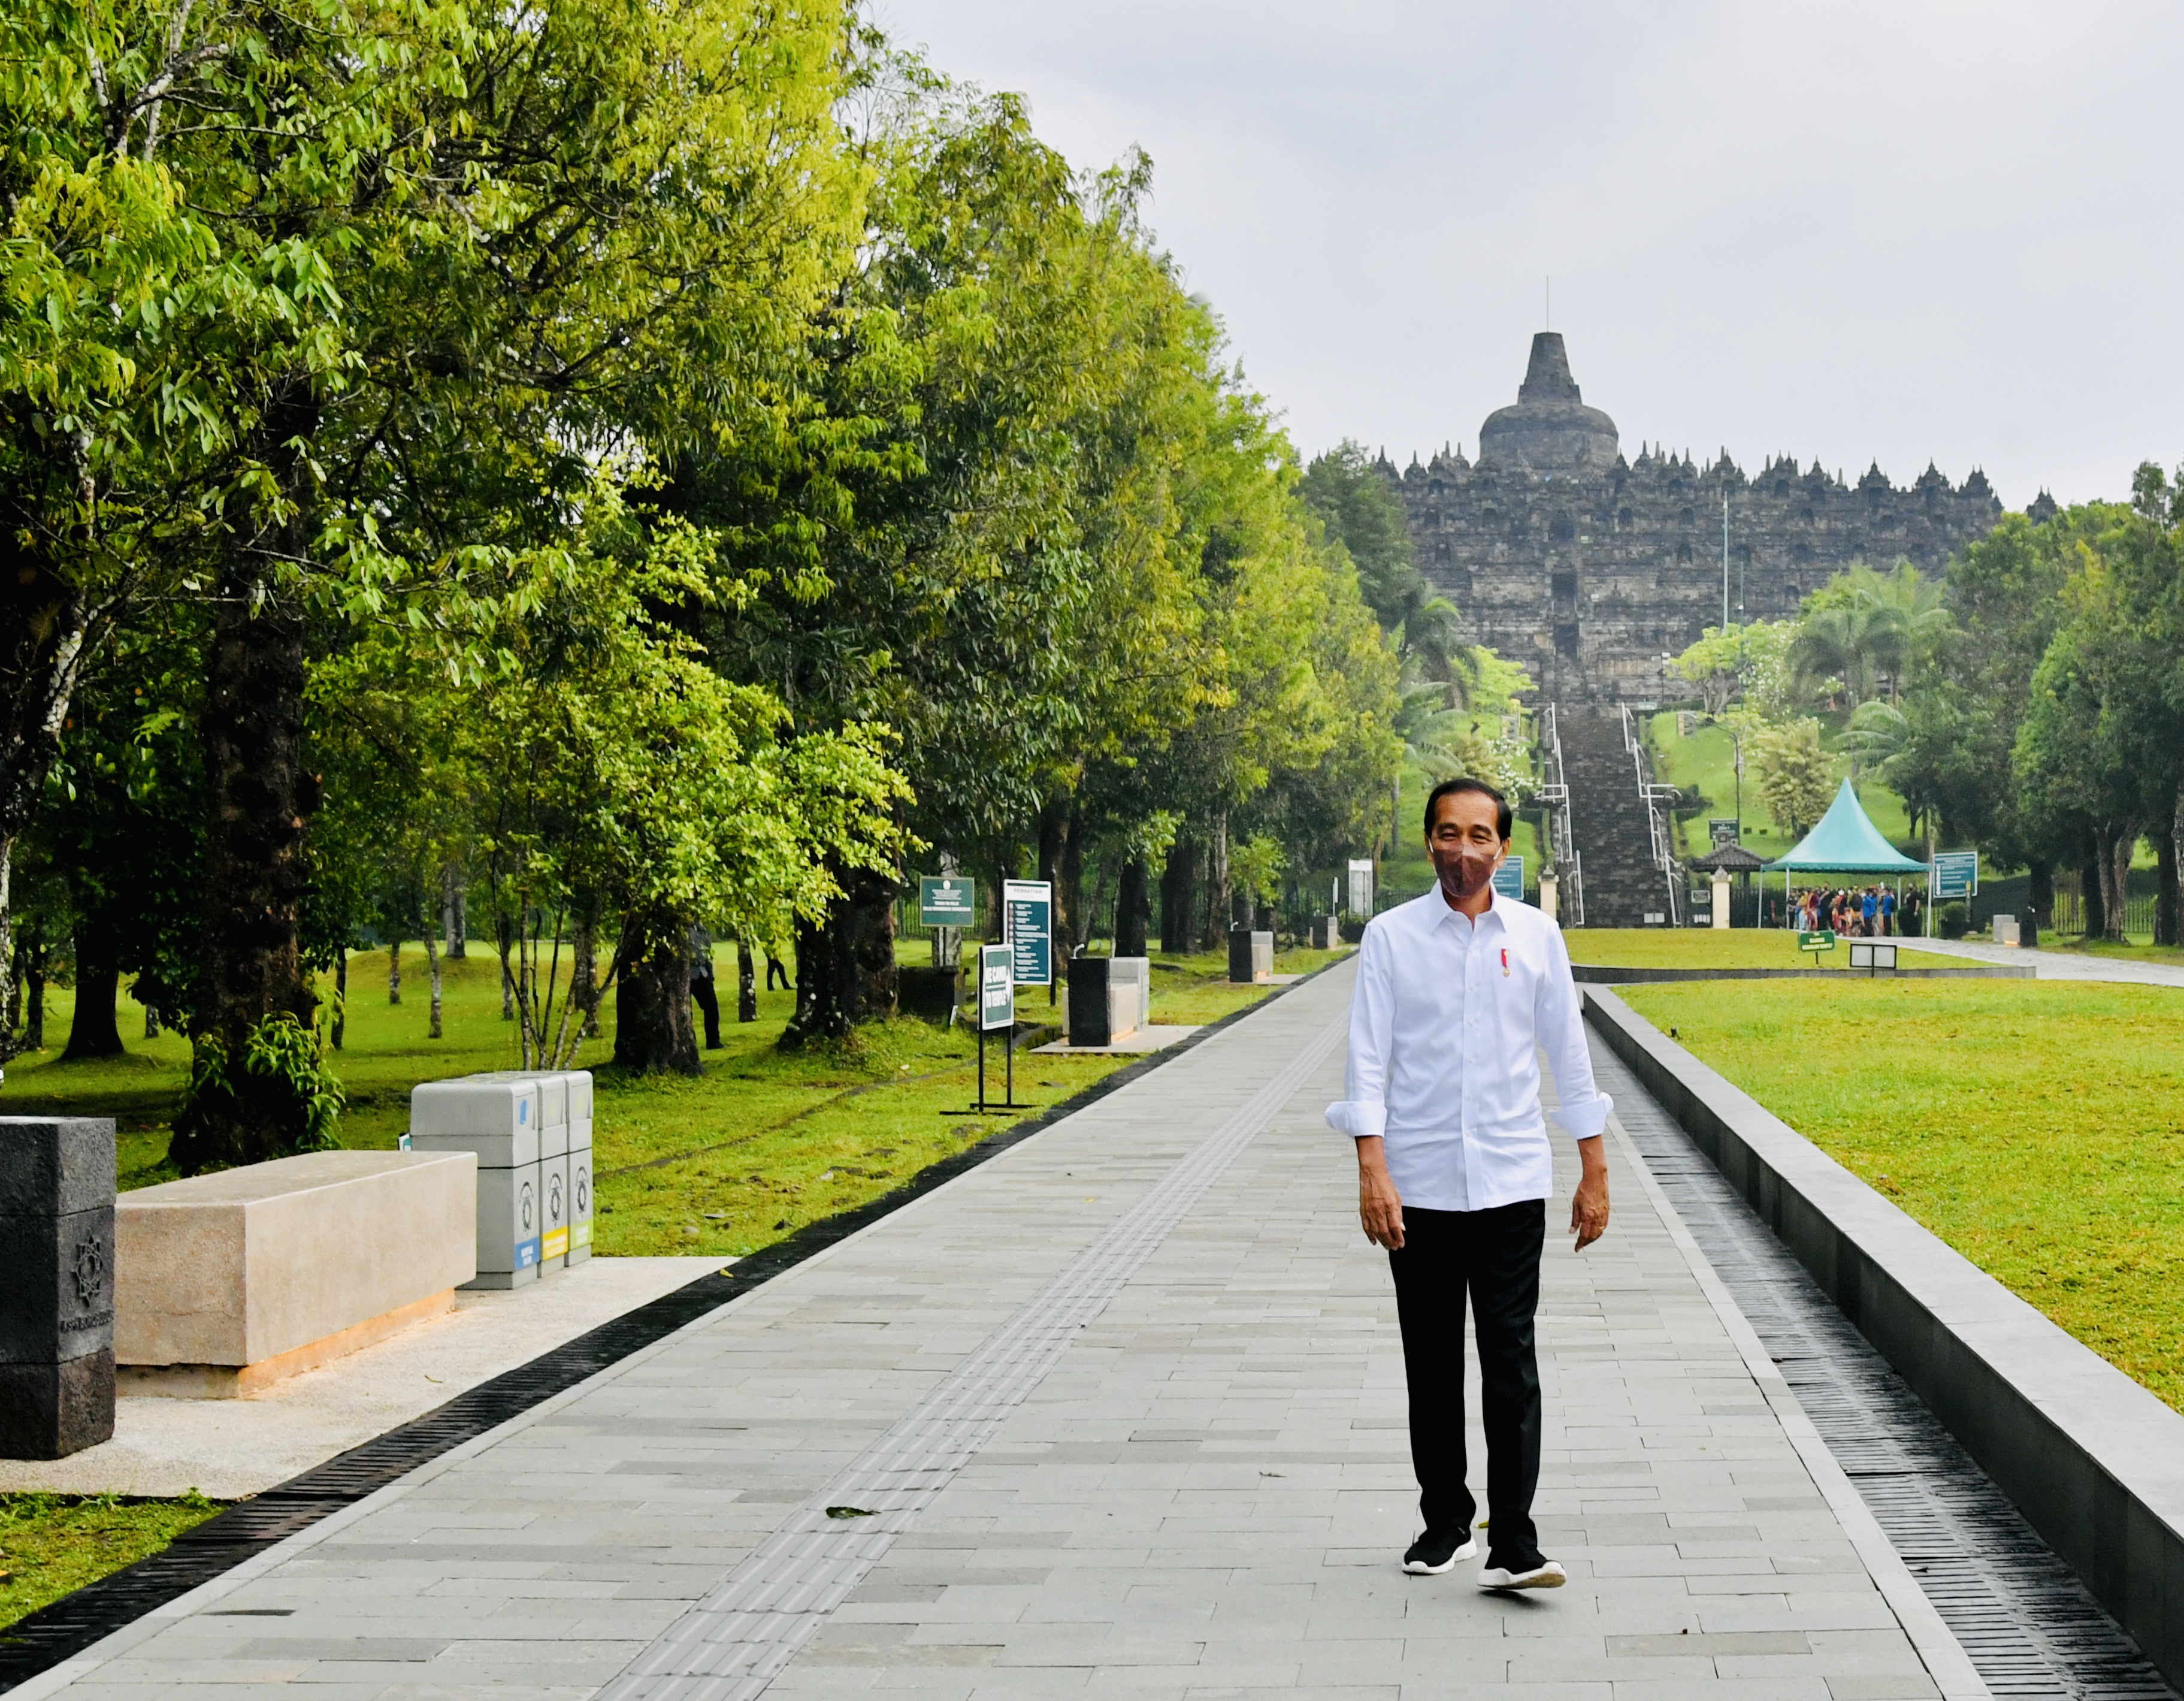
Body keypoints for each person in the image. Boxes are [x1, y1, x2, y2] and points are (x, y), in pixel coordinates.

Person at [1326, 777, 1612, 1592]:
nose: (1463, 849)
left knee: (1509, 1357)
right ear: (1429, 842)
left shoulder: (1536, 936)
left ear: (1503, 847)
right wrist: (1371, 1168)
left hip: (1510, 1179)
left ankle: (1513, 1540)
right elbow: (1367, 1056)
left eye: (1479, 834)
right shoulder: (1390, 938)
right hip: (1416, 1183)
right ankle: (1445, 1519)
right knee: (1430, 1358)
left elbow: (1568, 1053)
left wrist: (1593, 1167)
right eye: (1448, 833)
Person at [688, 923, 721, 1050]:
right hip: (686, 973)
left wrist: (710, 972)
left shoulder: (701, 928)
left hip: (702, 972)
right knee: (685, 1011)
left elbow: (708, 951)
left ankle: (713, 1041)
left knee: (712, 1006)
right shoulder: (681, 928)